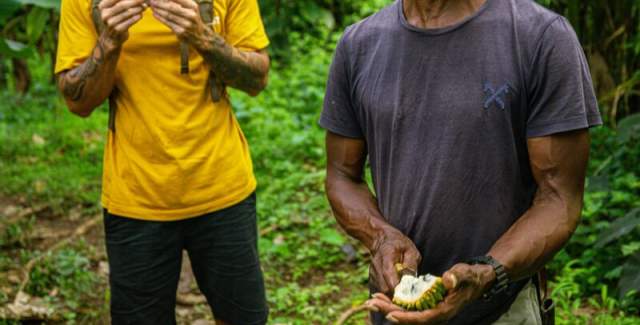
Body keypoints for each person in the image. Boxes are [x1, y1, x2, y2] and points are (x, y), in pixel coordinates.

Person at [320, 0, 601, 324]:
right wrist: (381, 237)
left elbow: (559, 199)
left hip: (503, 309)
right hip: (396, 306)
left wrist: (489, 271)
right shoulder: (359, 45)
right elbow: (341, 175)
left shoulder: (539, 36)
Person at [55, 0, 270, 323]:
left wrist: (202, 36)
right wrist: (110, 41)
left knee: (243, 317)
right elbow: (77, 101)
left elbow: (257, 79)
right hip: (136, 196)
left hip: (221, 187)